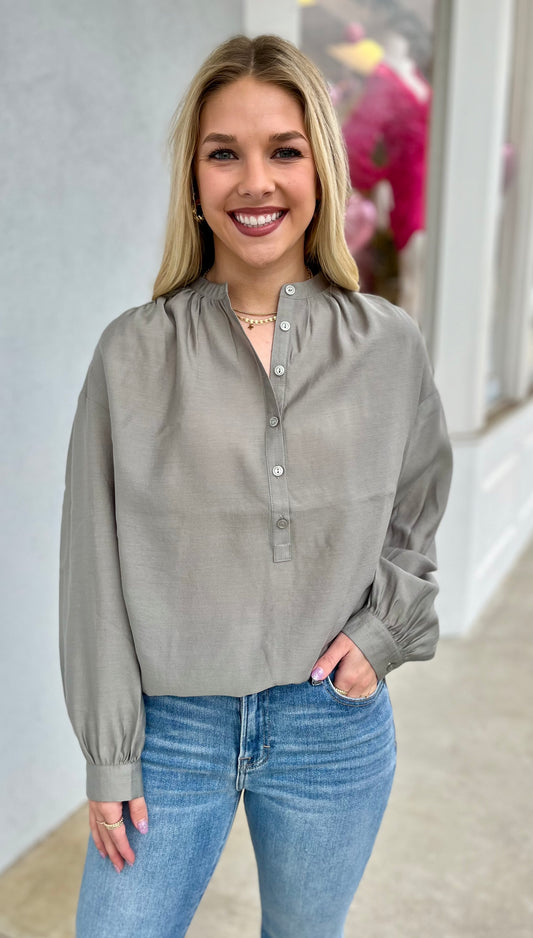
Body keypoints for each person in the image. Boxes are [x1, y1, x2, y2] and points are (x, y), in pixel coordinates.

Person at [59, 33, 453, 938]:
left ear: (320, 167)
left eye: (282, 150)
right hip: (170, 735)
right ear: (193, 182)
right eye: (223, 154)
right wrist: (111, 757)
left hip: (330, 727)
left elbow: (416, 507)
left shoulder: (387, 345)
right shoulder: (132, 352)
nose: (254, 182)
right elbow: (92, 568)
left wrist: (384, 630)